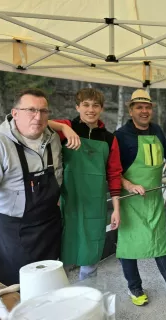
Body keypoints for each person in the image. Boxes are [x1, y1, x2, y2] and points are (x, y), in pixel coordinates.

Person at [0, 89, 63, 285]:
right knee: (14, 290)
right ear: (14, 113)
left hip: (49, 227)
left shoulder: (53, 139)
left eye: (43, 111)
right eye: (31, 110)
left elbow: (58, 176)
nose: (38, 116)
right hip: (14, 233)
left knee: (47, 287)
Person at [114, 89, 166, 306]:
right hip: (130, 199)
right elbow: (112, 170)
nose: (144, 111)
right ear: (130, 110)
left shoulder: (157, 130)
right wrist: (130, 185)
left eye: (147, 107)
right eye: (139, 107)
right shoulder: (121, 136)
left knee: (160, 242)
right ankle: (134, 288)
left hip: (153, 197)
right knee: (129, 245)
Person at [48, 88, 123, 280]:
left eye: (95, 105)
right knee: (60, 260)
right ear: (77, 107)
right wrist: (64, 128)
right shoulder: (66, 128)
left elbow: (114, 174)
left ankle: (88, 303)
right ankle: (62, 304)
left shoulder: (109, 139)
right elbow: (39, 123)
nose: (91, 109)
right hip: (67, 202)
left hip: (95, 204)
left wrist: (116, 209)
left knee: (90, 257)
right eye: (86, 105)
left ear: (102, 109)